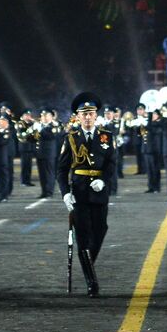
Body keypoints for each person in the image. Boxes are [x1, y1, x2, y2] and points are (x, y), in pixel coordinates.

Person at [58, 92, 118, 297]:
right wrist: (65, 193)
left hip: (100, 192)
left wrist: (105, 180)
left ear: (96, 115)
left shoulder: (106, 136)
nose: (88, 117)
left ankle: (87, 263)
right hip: (80, 192)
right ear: (78, 116)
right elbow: (61, 169)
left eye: (91, 113)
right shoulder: (71, 138)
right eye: (84, 114)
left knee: (100, 229)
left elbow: (111, 163)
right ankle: (91, 282)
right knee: (83, 235)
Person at [36, 108, 61, 198]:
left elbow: (50, 136)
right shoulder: (39, 126)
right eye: (43, 116)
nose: (44, 118)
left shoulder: (54, 126)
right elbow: (31, 139)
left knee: (49, 173)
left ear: (51, 117)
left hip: (49, 153)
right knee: (42, 173)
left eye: (46, 116)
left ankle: (49, 192)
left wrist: (40, 130)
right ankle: (44, 192)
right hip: (40, 152)